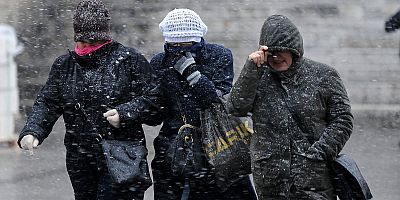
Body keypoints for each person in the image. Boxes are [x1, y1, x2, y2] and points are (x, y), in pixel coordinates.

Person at [17, 0, 159, 199]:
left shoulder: (129, 60)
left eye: (93, 43)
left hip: (122, 157)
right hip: (80, 160)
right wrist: (33, 131)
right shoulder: (64, 65)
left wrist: (125, 114)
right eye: (82, 42)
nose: (86, 48)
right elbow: (48, 103)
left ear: (106, 37)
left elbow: (155, 103)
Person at [227, 14, 354, 200]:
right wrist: (250, 69)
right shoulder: (256, 77)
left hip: (314, 181)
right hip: (270, 181)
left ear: (294, 50)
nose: (276, 57)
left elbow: (342, 120)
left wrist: (319, 154)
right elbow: (235, 108)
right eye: (271, 52)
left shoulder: (323, 75)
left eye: (282, 51)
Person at [149, 8, 257, 200]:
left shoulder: (220, 56)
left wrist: (192, 73)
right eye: (176, 45)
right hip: (174, 152)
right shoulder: (159, 63)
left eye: (189, 44)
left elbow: (215, 102)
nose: (182, 50)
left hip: (217, 146)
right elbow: (154, 112)